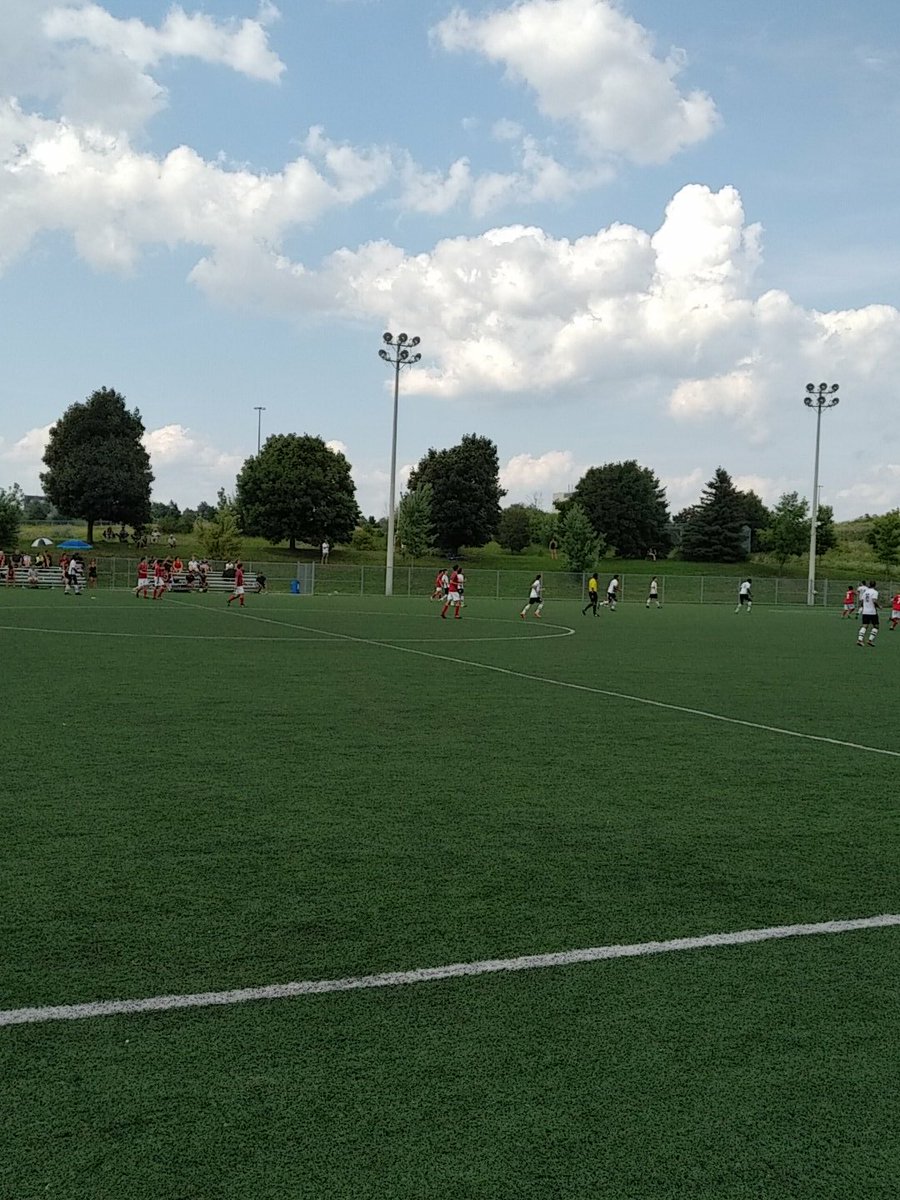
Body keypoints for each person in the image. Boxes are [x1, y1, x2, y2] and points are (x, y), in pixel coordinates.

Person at [857, 581, 879, 648]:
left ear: (869, 585)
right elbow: (874, 600)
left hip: (865, 611)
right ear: (875, 585)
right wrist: (879, 606)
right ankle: (870, 640)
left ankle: (859, 640)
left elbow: (862, 601)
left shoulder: (865, 592)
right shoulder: (875, 592)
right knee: (876, 626)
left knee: (864, 626)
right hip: (872, 612)